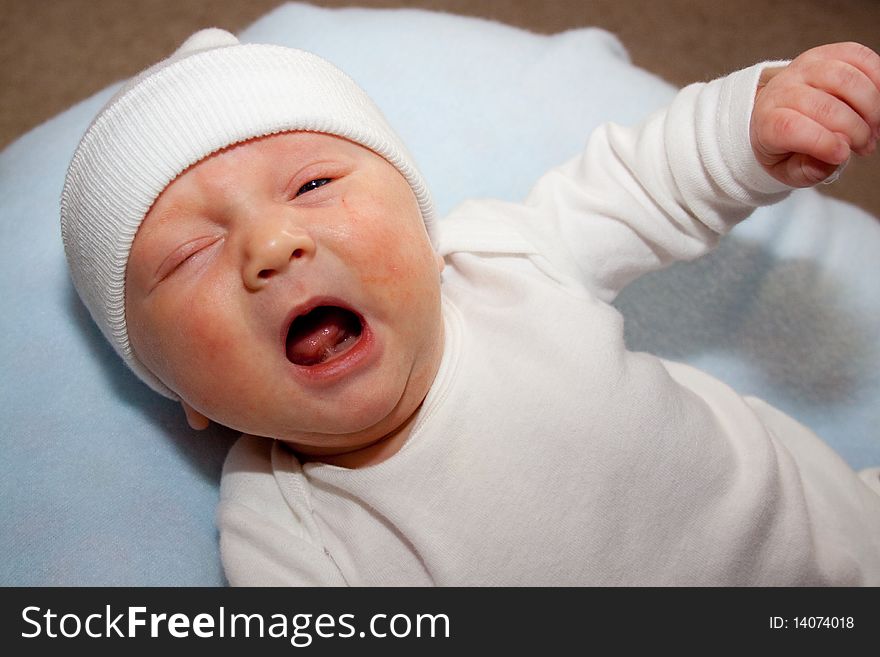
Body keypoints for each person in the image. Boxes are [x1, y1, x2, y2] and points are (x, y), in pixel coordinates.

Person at [61, 28, 880, 585]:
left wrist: (751, 123)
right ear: (183, 398)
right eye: (188, 254)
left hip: (844, 536)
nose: (272, 245)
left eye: (314, 184)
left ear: (422, 227)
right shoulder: (283, 532)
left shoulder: (498, 261)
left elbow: (641, 182)